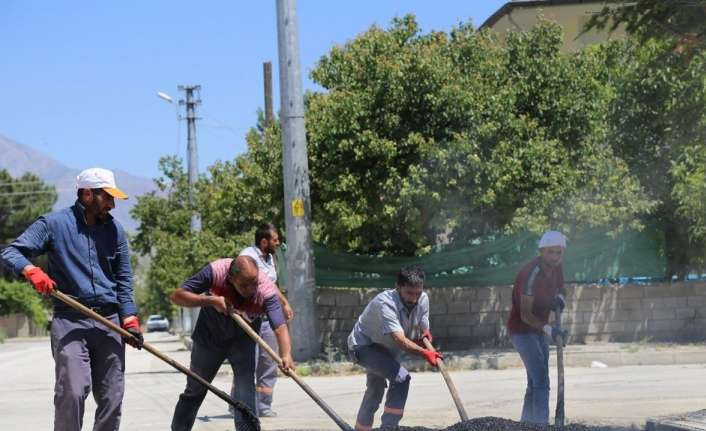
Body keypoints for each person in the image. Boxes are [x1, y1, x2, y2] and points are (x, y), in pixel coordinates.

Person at [0, 167, 143, 431]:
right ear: (87, 194)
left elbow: (124, 281)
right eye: (107, 197)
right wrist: (31, 270)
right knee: (73, 391)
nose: (112, 204)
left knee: (112, 397)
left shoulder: (115, 231)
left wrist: (130, 320)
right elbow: (11, 252)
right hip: (70, 321)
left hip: (109, 322)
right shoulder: (53, 224)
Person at [170, 255, 295, 431]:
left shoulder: (266, 291)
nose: (251, 289)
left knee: (245, 391)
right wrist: (211, 300)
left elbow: (280, 327)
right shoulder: (216, 272)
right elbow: (176, 296)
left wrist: (286, 354)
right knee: (195, 389)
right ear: (231, 278)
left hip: (243, 338)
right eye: (244, 285)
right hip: (209, 337)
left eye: (254, 282)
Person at [348, 266, 442, 431]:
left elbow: (423, 322)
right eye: (409, 293)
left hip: (386, 350)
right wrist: (425, 353)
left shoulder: (423, 298)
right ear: (398, 286)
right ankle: (389, 427)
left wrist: (426, 332)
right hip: (363, 347)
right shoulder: (385, 303)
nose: (414, 299)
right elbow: (399, 339)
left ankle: (361, 429)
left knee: (375, 390)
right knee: (401, 378)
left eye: (417, 293)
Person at [229, 223, 294, 418]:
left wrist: (283, 304)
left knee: (269, 362)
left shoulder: (270, 258)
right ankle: (238, 403)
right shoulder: (248, 256)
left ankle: (264, 405)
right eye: (275, 240)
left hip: (268, 317)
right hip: (250, 317)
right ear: (264, 241)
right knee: (250, 362)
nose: (278, 242)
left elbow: (271, 286)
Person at [506, 230, 568, 425]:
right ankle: (541, 425)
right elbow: (525, 315)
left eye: (559, 252)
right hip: (522, 330)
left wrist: (560, 298)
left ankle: (526, 424)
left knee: (534, 383)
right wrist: (550, 330)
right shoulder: (530, 274)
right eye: (551, 252)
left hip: (539, 329)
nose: (555, 257)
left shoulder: (556, 267)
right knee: (542, 380)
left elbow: (561, 288)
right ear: (542, 251)